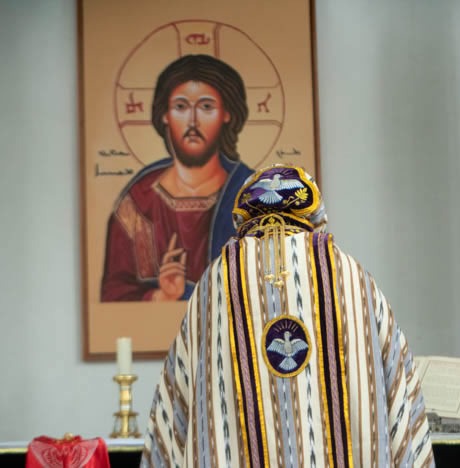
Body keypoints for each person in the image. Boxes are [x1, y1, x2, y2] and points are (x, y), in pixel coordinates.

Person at [141, 164, 435, 467]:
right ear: (315, 214)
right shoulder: (352, 276)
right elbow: (397, 384)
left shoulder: (216, 281)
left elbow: (178, 400)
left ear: (243, 214)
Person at [101, 55, 254, 302]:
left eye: (206, 107)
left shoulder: (251, 196)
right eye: (181, 107)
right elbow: (113, 296)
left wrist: (186, 294)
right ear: (165, 114)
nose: (192, 121)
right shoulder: (138, 202)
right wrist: (162, 296)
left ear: (226, 113)